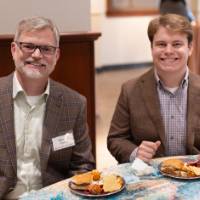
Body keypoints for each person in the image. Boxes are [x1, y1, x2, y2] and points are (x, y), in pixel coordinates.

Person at [0, 17, 95, 199]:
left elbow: (82, 166)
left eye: (46, 49)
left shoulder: (74, 104)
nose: (37, 55)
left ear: (56, 56)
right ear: (14, 50)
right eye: (28, 46)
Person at [107, 13, 200, 164]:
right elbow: (116, 139)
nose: (168, 51)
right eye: (161, 44)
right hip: (149, 178)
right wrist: (135, 153)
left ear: (190, 48)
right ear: (152, 48)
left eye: (177, 44)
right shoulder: (130, 90)